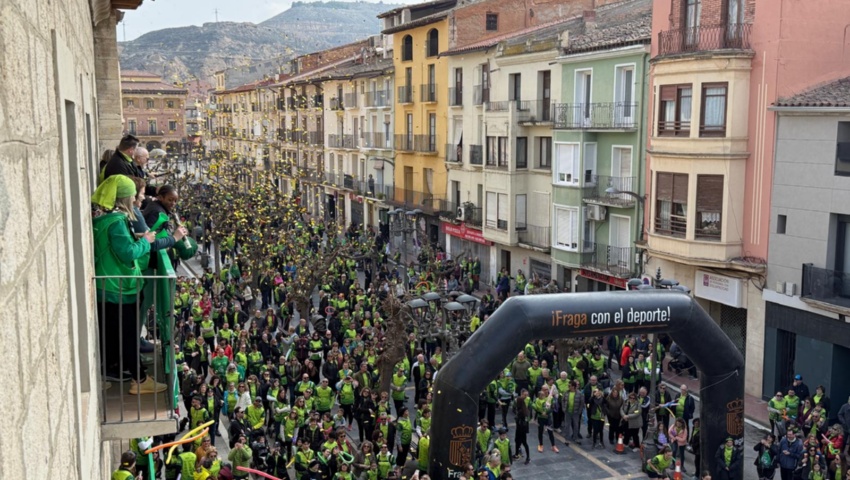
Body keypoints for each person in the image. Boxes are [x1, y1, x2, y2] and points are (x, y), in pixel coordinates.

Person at [92, 175, 166, 394]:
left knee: (113, 332)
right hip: (119, 287)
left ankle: (112, 370)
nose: (136, 198)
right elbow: (127, 253)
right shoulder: (116, 222)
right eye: (134, 194)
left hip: (110, 286)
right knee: (128, 334)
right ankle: (140, 380)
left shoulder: (107, 218)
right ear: (125, 197)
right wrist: (146, 241)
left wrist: (137, 236)